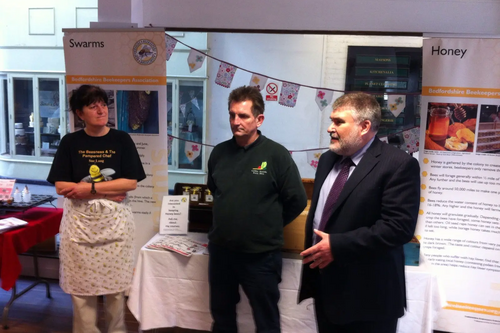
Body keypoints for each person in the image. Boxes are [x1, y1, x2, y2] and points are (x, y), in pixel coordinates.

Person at [298, 92, 420, 333]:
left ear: (364, 126)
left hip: (368, 297)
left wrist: (338, 245)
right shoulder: (327, 160)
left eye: (339, 122)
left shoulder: (398, 165)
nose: (330, 129)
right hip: (326, 286)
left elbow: (398, 228)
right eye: (331, 121)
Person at [207, 85, 307, 333]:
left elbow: (297, 200)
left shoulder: (276, 155)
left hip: (261, 256)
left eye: (243, 116)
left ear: (259, 119)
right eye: (232, 115)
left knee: (266, 320)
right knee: (221, 318)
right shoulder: (219, 153)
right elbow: (215, 191)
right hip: (222, 253)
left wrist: (267, 223)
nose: (235, 121)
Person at [47, 84, 146, 333]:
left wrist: (88, 190)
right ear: (80, 114)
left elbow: (130, 183)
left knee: (115, 292)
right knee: (81, 294)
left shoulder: (121, 139)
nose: (101, 109)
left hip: (115, 229)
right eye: (93, 106)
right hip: (79, 231)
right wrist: (110, 190)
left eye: (103, 104)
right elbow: (61, 186)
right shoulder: (70, 142)